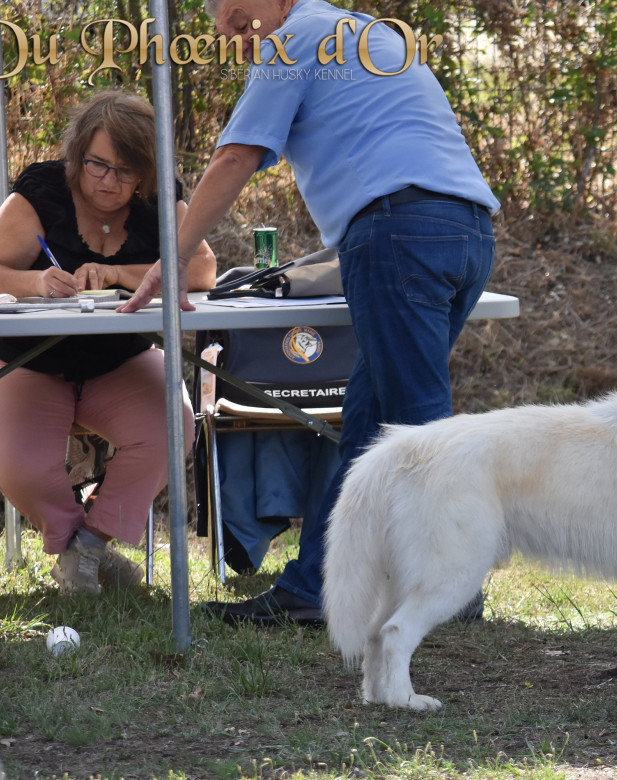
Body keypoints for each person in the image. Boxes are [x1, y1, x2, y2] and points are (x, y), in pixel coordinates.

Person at [119, 0, 500, 624]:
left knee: (417, 423)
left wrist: (171, 257)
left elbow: (234, 157)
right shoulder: (353, 32)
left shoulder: (296, 38)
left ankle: (452, 586)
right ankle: (317, 588)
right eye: (227, 33)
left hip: (397, 233)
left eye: (241, 21)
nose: (237, 37)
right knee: (368, 420)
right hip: (467, 233)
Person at [0, 90, 217, 595]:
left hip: (122, 360)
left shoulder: (159, 198)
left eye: (126, 171)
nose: (109, 182)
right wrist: (35, 283)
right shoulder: (42, 192)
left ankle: (90, 547)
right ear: (78, 155)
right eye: (98, 165)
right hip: (33, 363)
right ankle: (78, 547)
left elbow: (202, 268)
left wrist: (121, 272)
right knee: (18, 463)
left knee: (172, 424)